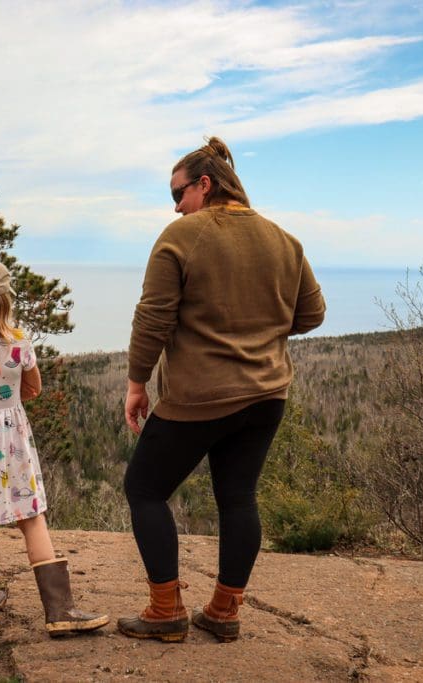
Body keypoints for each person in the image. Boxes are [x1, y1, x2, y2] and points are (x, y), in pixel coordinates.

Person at [118, 137, 326, 643]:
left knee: (144, 489)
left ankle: (165, 610)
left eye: (179, 192)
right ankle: (224, 612)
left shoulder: (181, 236)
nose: (175, 205)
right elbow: (312, 314)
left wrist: (137, 383)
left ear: (204, 184)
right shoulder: (284, 240)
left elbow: (153, 318)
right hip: (266, 395)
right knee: (238, 498)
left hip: (199, 397)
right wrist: (257, 333)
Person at [0, 256, 109, 636]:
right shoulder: (19, 343)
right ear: (4, 300)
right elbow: (34, 387)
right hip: (8, 435)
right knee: (30, 516)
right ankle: (59, 610)